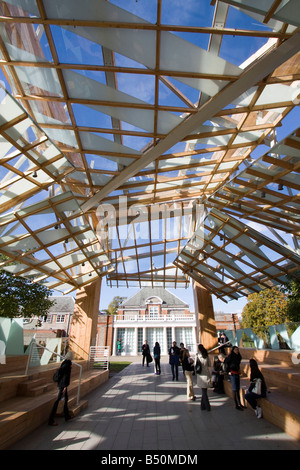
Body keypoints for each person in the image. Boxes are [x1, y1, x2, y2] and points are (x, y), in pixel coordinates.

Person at [48, 351, 73, 426]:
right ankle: (51, 420)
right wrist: (64, 386)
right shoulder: (67, 364)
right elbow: (65, 376)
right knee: (58, 401)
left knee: (66, 400)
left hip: (62, 385)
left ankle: (67, 416)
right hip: (62, 385)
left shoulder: (65, 362)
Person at [225, 346, 244, 410]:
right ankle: (236, 404)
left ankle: (240, 403)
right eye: (235, 350)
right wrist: (228, 371)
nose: (237, 351)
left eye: (237, 349)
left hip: (237, 372)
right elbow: (226, 363)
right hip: (233, 373)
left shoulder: (238, 357)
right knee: (234, 389)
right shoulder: (230, 357)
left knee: (237, 388)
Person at [195, 344, 211, 411]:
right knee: (204, 390)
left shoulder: (197, 356)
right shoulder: (206, 355)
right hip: (206, 373)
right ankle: (202, 406)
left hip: (201, 374)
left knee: (204, 392)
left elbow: (195, 365)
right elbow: (209, 364)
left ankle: (207, 406)